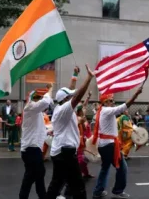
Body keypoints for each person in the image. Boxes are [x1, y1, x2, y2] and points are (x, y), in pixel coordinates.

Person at [46, 65, 94, 199]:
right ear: (66, 100)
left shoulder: (60, 107)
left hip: (59, 151)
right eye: (70, 97)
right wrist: (89, 78)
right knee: (78, 186)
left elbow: (70, 91)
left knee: (57, 183)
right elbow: (77, 95)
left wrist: (74, 74)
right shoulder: (64, 110)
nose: (72, 98)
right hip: (65, 152)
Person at [92, 87, 143, 199]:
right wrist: (136, 94)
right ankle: (118, 191)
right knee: (122, 168)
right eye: (110, 100)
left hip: (103, 145)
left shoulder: (101, 111)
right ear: (105, 102)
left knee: (105, 168)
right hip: (109, 145)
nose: (113, 102)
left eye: (113, 100)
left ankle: (98, 191)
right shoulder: (106, 110)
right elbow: (124, 106)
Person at [19, 84, 53, 199]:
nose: (40, 100)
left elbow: (40, 129)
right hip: (31, 149)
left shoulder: (36, 112)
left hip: (32, 149)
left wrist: (49, 131)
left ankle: (42, 196)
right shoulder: (30, 107)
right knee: (34, 175)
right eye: (38, 98)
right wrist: (50, 89)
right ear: (33, 99)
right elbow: (46, 102)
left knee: (38, 175)